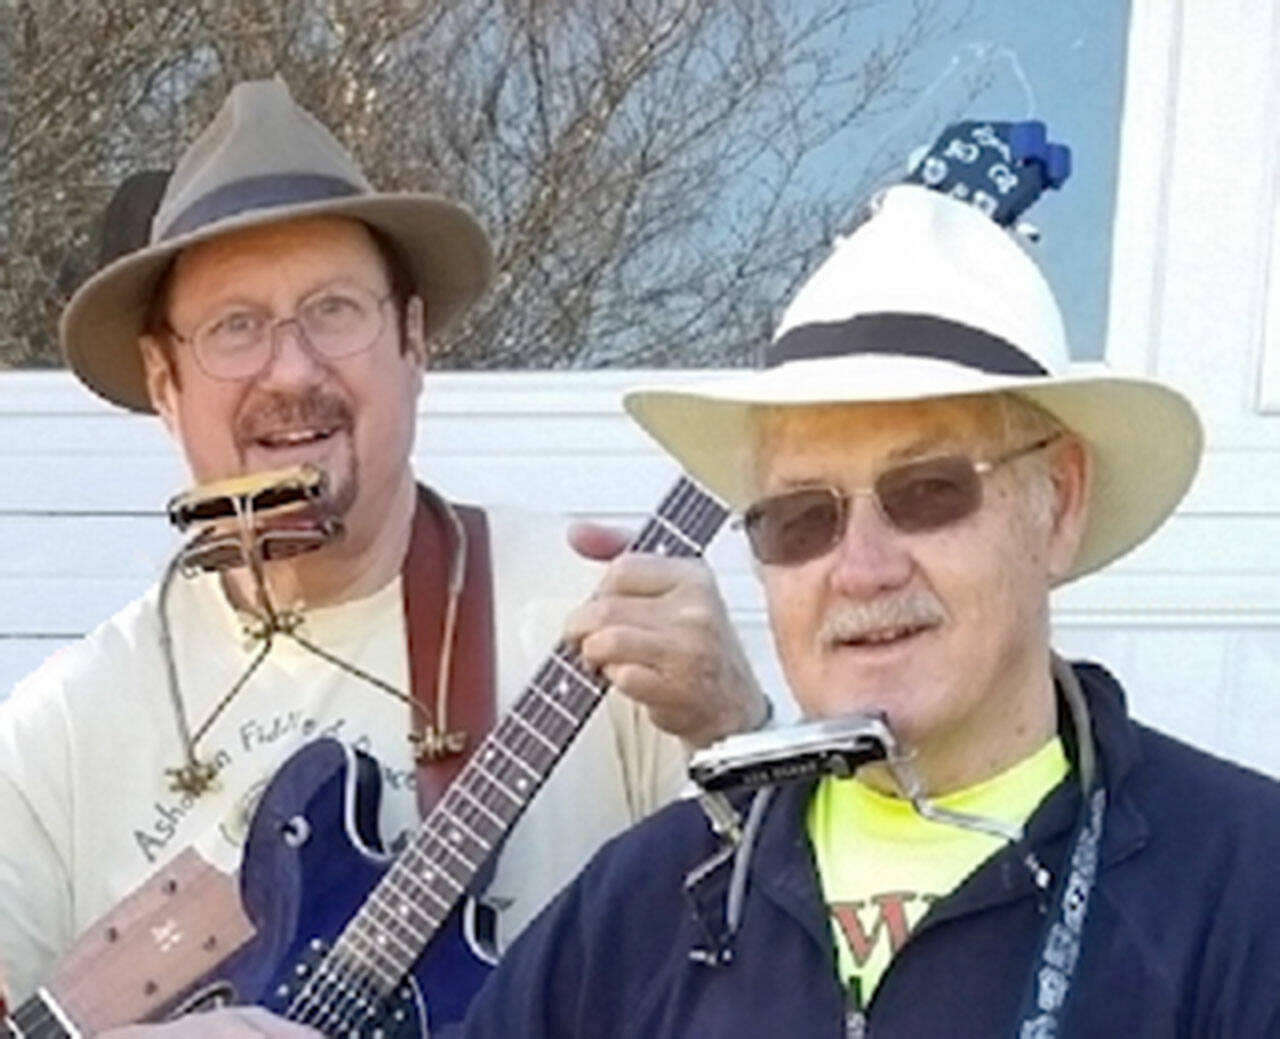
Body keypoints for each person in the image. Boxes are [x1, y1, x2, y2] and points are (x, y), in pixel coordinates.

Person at [0, 79, 767, 1031]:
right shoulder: (60, 733)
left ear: (411, 340)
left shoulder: (607, 621)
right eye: (235, 326)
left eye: (334, 310)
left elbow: (787, 958)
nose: (292, 370)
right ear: (164, 380)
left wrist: (737, 729)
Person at [457, 183, 1280, 1036]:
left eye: (928, 491)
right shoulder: (637, 905)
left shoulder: (1247, 887)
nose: (861, 568)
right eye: (801, 516)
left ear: (1059, 502)